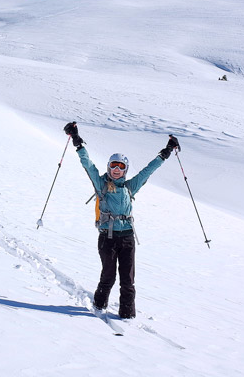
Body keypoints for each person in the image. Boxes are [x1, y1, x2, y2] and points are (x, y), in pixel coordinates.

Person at [64, 122, 180, 319]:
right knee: (108, 275)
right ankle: (98, 307)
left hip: (127, 238)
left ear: (125, 169)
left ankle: (127, 316)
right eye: (113, 165)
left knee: (128, 280)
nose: (117, 169)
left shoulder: (129, 187)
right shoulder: (101, 184)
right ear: (109, 167)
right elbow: (88, 165)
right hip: (107, 238)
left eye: (121, 166)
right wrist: (77, 141)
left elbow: (147, 171)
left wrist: (166, 152)